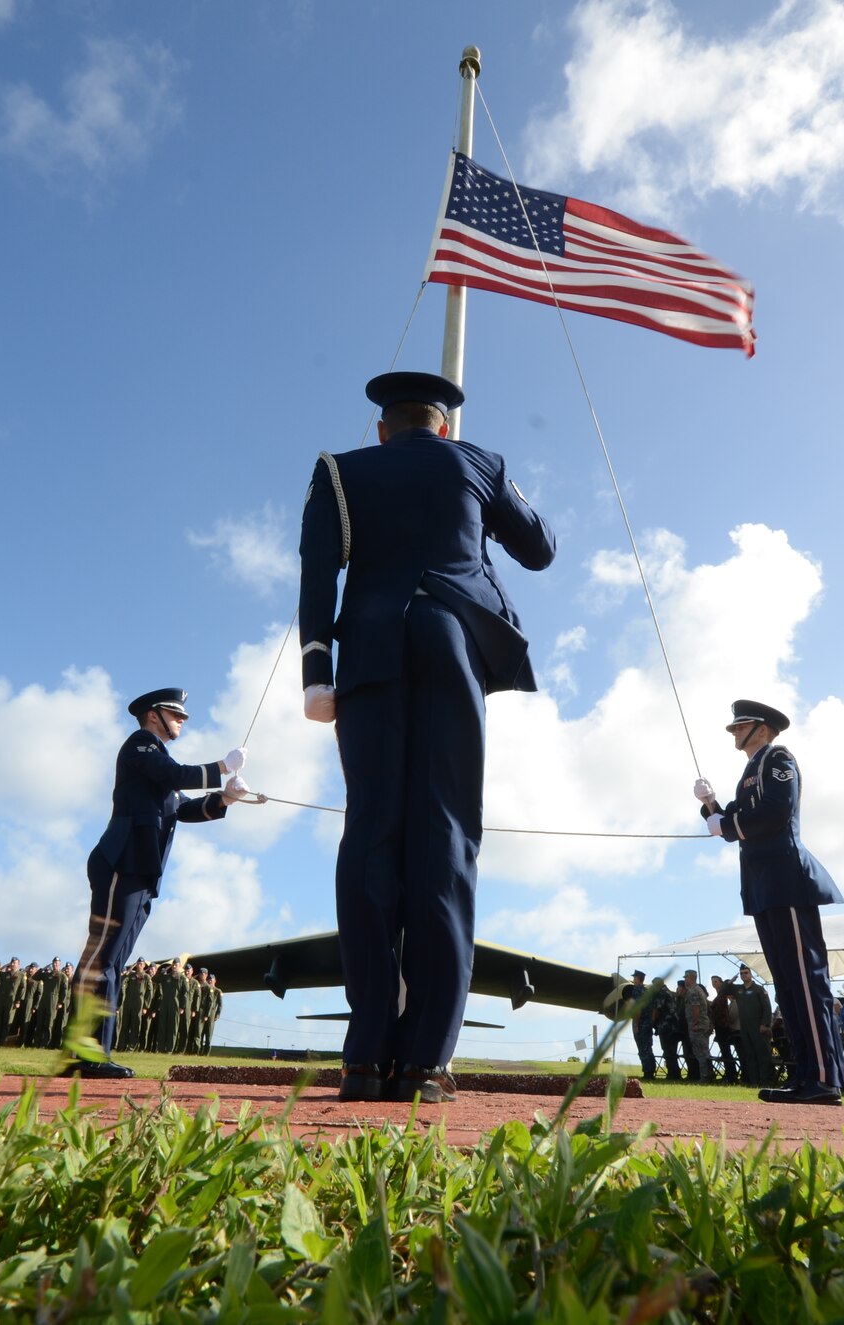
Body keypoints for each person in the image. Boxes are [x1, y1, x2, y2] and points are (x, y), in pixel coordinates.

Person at [298, 370, 557, 1104]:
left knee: (371, 832)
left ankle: (364, 1055)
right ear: (443, 424)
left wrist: (318, 668)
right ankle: (425, 1062)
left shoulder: (340, 472)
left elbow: (319, 570)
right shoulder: (478, 461)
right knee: (446, 832)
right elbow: (540, 548)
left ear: (382, 427)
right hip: (451, 641)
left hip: (370, 649)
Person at [70, 687, 249, 1078]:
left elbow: (181, 807)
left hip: (142, 868)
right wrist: (221, 766)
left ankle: (92, 1053)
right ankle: (86, 1055)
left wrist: (224, 799)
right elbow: (175, 776)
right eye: (176, 715)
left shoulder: (159, 760)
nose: (182, 721)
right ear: (154, 715)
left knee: (113, 961)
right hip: (123, 860)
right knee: (104, 956)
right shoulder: (141, 745)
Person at [693, 701, 844, 1106]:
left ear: (761, 729)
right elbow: (738, 820)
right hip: (765, 885)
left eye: (739, 725)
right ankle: (805, 1075)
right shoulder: (752, 769)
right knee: (787, 985)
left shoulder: (778, 758)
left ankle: (823, 1078)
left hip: (787, 881)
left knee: (805, 980)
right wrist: (712, 807)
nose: (732, 732)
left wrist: (725, 824)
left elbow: (775, 814)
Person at [732, 964, 774, 1087]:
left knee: (763, 1054)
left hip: (758, 1026)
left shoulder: (759, 989)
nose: (744, 975)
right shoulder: (739, 990)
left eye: (746, 972)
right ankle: (754, 1081)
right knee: (749, 1054)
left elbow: (767, 1007)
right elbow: (724, 990)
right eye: (741, 973)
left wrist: (765, 1024)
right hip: (745, 1027)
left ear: (751, 974)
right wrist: (731, 981)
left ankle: (766, 1080)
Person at [619, 971, 657, 1077]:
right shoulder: (647, 991)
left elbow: (637, 1008)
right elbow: (654, 1008)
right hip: (648, 1023)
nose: (633, 980)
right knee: (648, 1047)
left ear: (638, 979)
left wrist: (636, 1024)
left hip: (640, 1023)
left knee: (642, 1048)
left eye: (635, 978)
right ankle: (651, 1070)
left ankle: (647, 1072)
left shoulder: (636, 991)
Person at [681, 969, 716, 1083]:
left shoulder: (693, 991)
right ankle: (709, 1075)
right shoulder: (698, 990)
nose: (685, 980)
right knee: (704, 1051)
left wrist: (695, 1023)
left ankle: (705, 1077)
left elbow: (696, 1008)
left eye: (686, 978)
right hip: (702, 1024)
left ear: (690, 978)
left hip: (698, 1025)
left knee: (700, 1052)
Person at [709, 975, 740, 1083]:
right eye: (712, 981)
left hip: (723, 1026)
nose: (714, 983)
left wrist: (731, 980)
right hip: (720, 1026)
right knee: (725, 1052)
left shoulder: (722, 995)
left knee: (726, 1052)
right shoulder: (719, 996)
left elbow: (727, 984)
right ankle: (730, 1074)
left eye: (716, 981)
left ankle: (731, 1076)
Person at [651, 978, 684, 1080]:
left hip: (666, 1026)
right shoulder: (669, 992)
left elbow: (657, 1010)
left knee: (667, 1050)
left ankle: (672, 1074)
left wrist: (651, 1022)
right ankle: (675, 1073)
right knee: (672, 1051)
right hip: (674, 1027)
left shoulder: (661, 993)